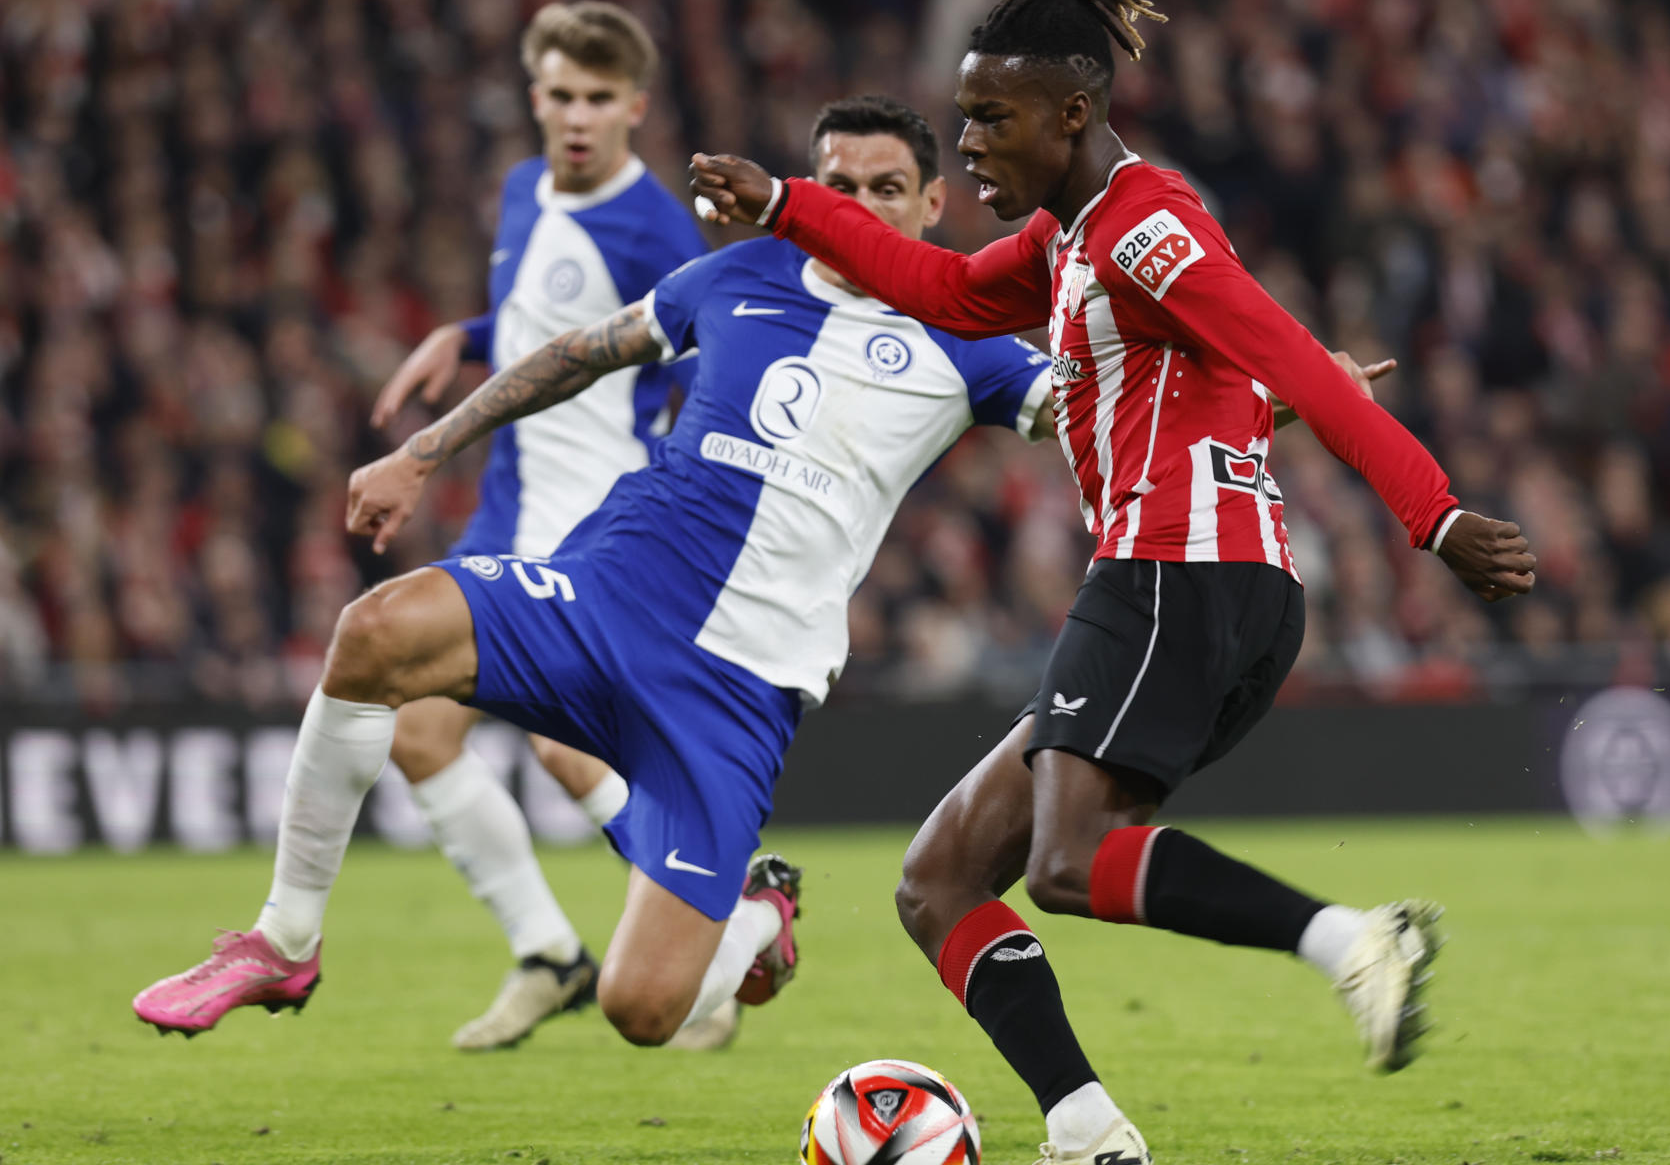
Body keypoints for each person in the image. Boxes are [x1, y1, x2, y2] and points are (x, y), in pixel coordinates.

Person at [689, 0, 1538, 1165]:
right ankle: (1089, 1130)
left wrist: (1436, 514)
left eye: (991, 116)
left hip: (1174, 571)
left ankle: (1354, 940)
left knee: (1069, 860)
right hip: (1198, 584)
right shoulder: (1069, 234)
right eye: (965, 113)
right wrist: (785, 203)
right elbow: (937, 285)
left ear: (1072, 113)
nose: (967, 139)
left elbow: (1292, 359)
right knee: (938, 880)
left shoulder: (1147, 230)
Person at [131, 95, 1064, 1054]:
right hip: (606, 598)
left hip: (735, 691)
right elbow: (579, 354)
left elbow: (1101, 418)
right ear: (808, 189)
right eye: (838, 186)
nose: (859, 207)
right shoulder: (739, 273)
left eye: (887, 189)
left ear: (935, 202)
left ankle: (752, 920)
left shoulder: (973, 340)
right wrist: (425, 451)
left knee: (642, 1011)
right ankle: (285, 940)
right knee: (373, 633)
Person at [134, 1, 713, 1050]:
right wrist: (468, 332)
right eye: (560, 96)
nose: (578, 117)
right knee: (422, 731)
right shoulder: (519, 189)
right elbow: (548, 320)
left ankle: (735, 916)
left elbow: (690, 354)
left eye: (599, 99)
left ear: (634, 105)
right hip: (511, 501)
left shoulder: (661, 232)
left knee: (558, 741)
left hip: (591, 514)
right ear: (536, 96)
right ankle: (552, 950)